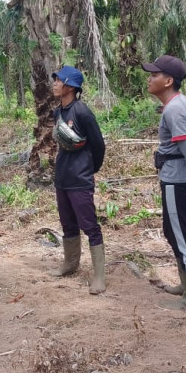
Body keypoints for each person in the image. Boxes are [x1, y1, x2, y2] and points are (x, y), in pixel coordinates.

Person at [141, 55, 186, 312]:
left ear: (168, 81)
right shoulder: (181, 104)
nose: (149, 79)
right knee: (175, 232)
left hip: (178, 181)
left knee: (182, 237)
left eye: (154, 75)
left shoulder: (175, 109)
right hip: (181, 179)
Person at [49, 66, 107, 294]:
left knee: (90, 226)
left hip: (80, 179)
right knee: (68, 224)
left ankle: (99, 277)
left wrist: (91, 169)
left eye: (58, 80)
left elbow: (99, 145)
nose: (54, 84)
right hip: (63, 178)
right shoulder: (58, 112)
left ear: (70, 87)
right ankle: (70, 264)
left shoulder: (82, 112)